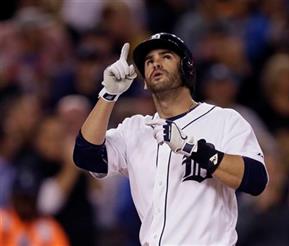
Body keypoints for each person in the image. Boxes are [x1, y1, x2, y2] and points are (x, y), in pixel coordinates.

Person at [73, 32, 268, 245]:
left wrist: (194, 149)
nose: (155, 63)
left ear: (187, 68)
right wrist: (108, 94)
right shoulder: (135, 129)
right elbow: (86, 156)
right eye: (149, 61)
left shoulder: (223, 120)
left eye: (166, 56)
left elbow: (256, 180)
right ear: (145, 81)